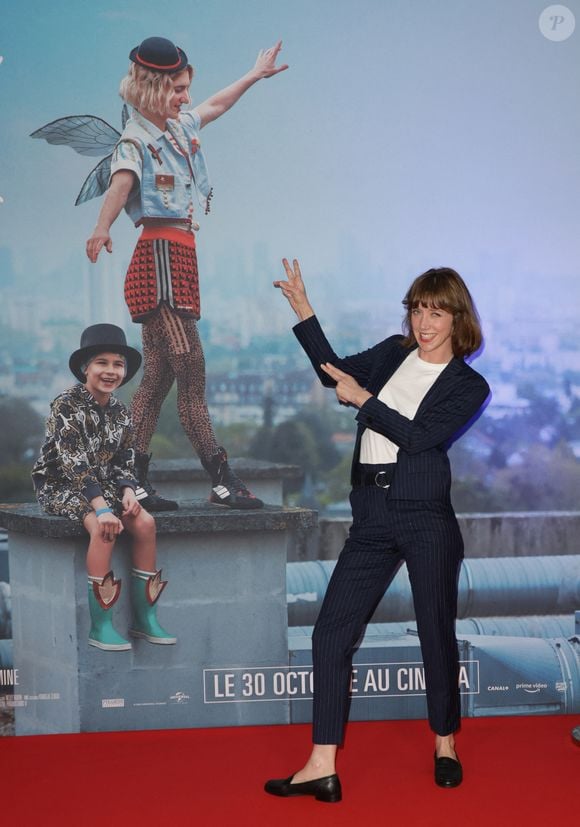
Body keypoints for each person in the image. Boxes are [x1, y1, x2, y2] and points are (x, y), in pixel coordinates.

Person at [265, 259, 490, 801]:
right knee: (330, 633)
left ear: (458, 318)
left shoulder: (469, 384)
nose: (424, 322)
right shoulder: (394, 352)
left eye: (437, 311)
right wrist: (304, 310)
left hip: (425, 514)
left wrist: (365, 401)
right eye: (417, 308)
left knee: (435, 630)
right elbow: (333, 373)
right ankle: (322, 763)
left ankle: (444, 742)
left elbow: (417, 437)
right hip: (370, 511)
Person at [86, 36, 288, 512]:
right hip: (159, 260)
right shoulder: (135, 139)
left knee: (156, 378)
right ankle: (220, 477)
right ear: (154, 89)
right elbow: (122, 183)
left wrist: (253, 75)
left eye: (185, 87)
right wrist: (100, 226)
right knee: (190, 369)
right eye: (176, 89)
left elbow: (217, 105)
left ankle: (129, 478)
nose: (185, 97)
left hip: (179, 257)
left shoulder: (177, 128)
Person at [32, 324, 176, 651]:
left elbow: (125, 459)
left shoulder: (120, 412)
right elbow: (73, 464)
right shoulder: (66, 405)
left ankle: (145, 619)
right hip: (61, 484)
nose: (111, 371)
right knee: (103, 528)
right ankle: (102, 626)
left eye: (118, 364)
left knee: (145, 523)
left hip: (104, 485)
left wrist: (128, 492)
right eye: (102, 363)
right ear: (86, 368)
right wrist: (101, 508)